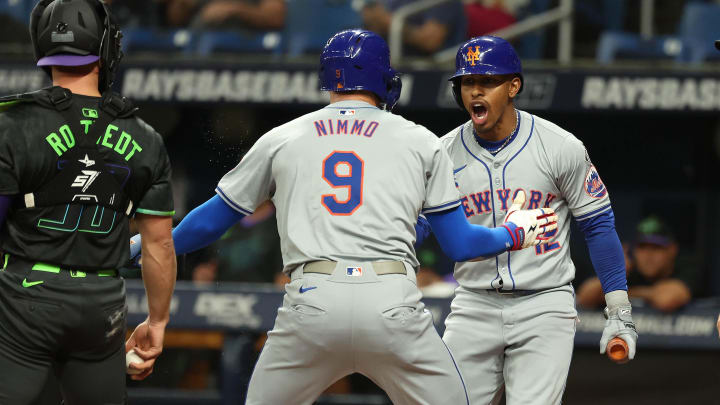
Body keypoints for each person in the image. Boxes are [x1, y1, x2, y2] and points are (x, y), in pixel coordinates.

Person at [131, 29, 556, 404]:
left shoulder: (284, 136)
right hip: (391, 304)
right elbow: (461, 245)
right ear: (382, 78)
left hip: (312, 302)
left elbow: (211, 220)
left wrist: (143, 245)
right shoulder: (421, 140)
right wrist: (512, 233)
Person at [417, 36, 637, 404]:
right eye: (467, 83)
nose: (474, 91)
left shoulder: (559, 146)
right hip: (474, 303)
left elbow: (597, 225)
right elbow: (418, 229)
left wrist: (619, 309)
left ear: (513, 86)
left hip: (544, 303)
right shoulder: (441, 153)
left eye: (487, 82)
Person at [0, 0, 176, 403]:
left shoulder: (11, 124)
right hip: (101, 306)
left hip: (25, 297)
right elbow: (159, 245)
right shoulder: (146, 137)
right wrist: (158, 321)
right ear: (105, 49)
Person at [577, 216, 696, 312]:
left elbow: (666, 300)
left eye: (656, 248)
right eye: (642, 247)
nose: (648, 255)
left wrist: (628, 294)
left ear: (672, 250)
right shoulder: (629, 270)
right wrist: (615, 272)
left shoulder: (685, 267)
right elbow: (585, 299)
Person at [362, 0, 466, 55]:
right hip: (390, 67)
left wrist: (391, 23)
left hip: (429, 74)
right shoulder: (393, 2)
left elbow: (430, 41)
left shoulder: (444, 3)